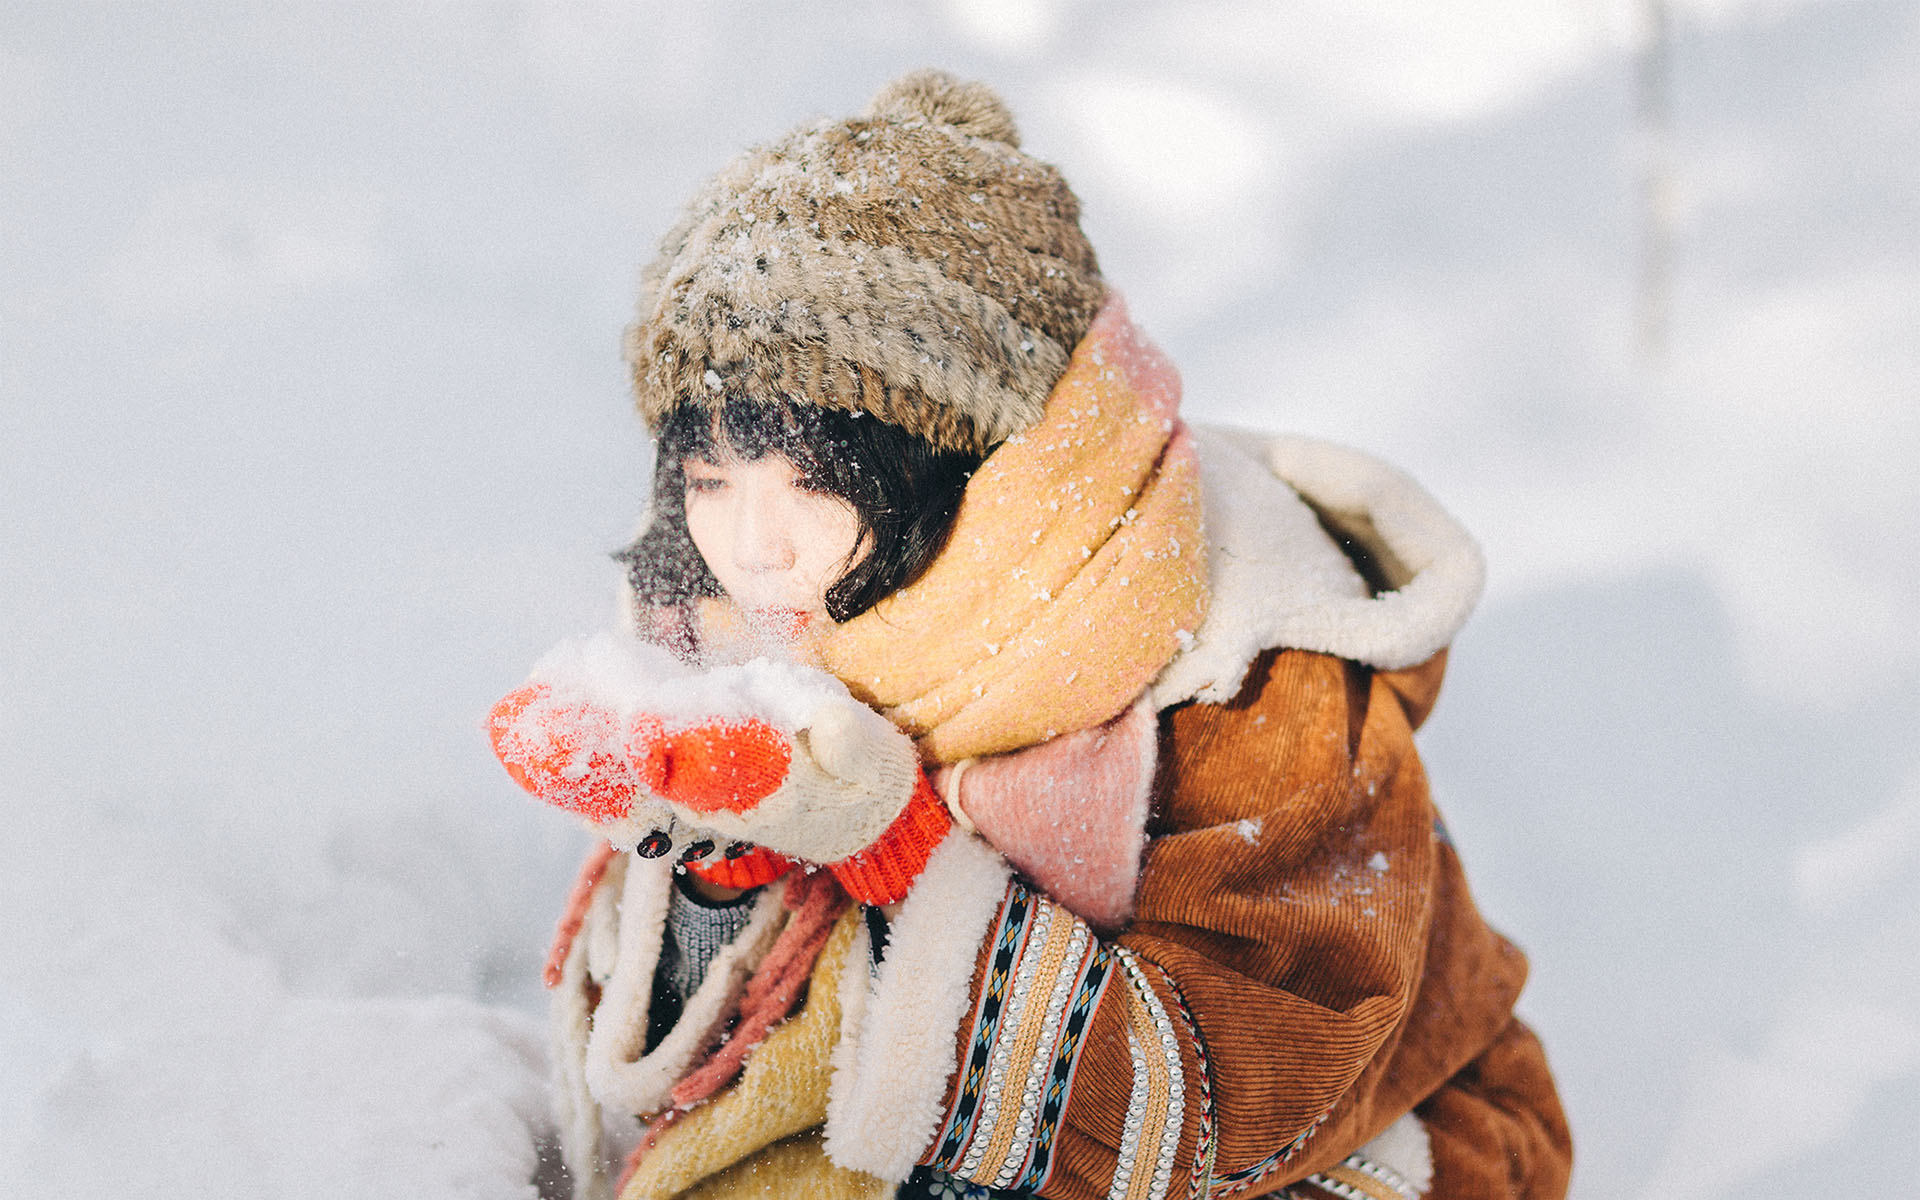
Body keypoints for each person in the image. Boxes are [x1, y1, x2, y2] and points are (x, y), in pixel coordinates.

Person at [487, 70, 1572, 1200]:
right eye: (710, 479)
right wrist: (725, 863)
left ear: (952, 452)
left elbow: (1255, 1088)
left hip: (1338, 1142)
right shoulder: (732, 615)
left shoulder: (1245, 658)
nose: (752, 546)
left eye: (812, 481)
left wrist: (903, 858)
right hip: (926, 1135)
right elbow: (661, 1084)